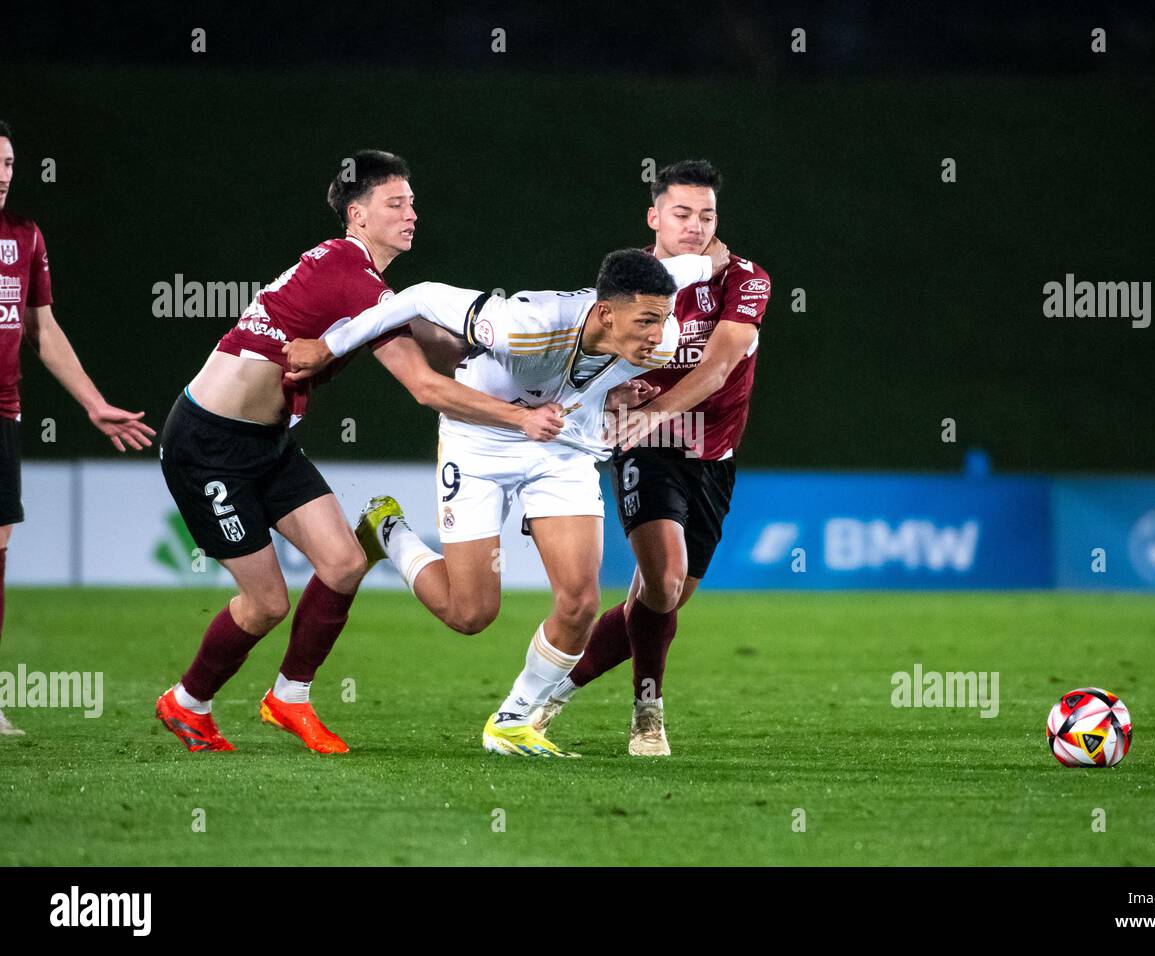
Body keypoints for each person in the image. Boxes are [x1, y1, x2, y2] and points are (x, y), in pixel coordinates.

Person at [154, 149, 564, 754]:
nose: (411, 213)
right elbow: (426, 385)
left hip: (266, 443)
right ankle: (187, 703)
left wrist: (551, 360)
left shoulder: (366, 282)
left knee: (344, 564)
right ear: (357, 214)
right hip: (207, 446)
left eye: (413, 202)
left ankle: (288, 700)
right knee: (266, 602)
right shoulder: (352, 276)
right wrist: (520, 417)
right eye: (395, 203)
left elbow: (450, 347)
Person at [282, 243, 726, 756]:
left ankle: (513, 720)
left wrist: (715, 261)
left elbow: (697, 265)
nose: (658, 336)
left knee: (580, 601)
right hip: (480, 441)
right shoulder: (525, 324)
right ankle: (388, 529)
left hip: (561, 448)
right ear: (605, 312)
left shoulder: (660, 333)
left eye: (664, 320)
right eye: (647, 321)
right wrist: (330, 347)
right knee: (469, 614)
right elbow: (421, 295)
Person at [534, 160, 772, 755]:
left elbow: (719, 367)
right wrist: (616, 399)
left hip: (713, 455)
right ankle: (649, 713)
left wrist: (653, 408)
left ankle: (548, 694)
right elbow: (588, 364)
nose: (695, 225)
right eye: (682, 213)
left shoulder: (747, 280)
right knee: (662, 583)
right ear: (655, 217)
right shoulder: (628, 283)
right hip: (647, 447)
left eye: (707, 215)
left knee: (660, 599)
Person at [0, 120, 156, 737]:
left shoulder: (24, 236)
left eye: (10, 162)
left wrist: (93, 402)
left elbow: (42, 329)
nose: (4, 173)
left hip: (3, 414)